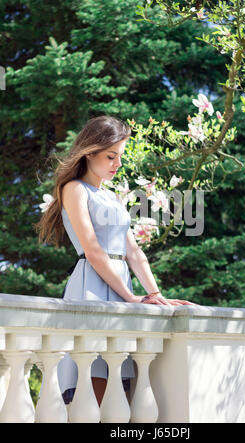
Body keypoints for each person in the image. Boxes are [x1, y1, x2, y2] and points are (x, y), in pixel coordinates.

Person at [34, 115, 199, 407]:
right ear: (90, 152)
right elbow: (93, 250)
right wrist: (131, 297)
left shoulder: (112, 198)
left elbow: (134, 253)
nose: (117, 164)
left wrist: (156, 296)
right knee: (92, 385)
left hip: (121, 290)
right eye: (111, 156)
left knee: (120, 391)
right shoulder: (74, 189)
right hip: (92, 288)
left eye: (119, 156)